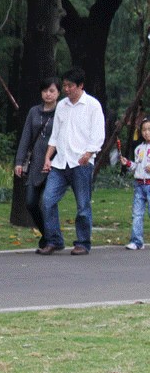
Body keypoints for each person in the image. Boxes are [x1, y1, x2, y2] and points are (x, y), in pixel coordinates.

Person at [38, 67, 106, 256]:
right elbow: (56, 135)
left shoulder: (92, 105)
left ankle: (83, 242)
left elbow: (98, 134)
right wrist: (47, 157)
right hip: (61, 163)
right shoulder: (62, 105)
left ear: (80, 86)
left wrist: (89, 153)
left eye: (70, 86)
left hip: (81, 163)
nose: (66, 89)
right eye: (65, 85)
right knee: (47, 200)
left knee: (83, 205)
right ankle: (54, 240)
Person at [13, 77, 60, 250]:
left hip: (55, 164)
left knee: (48, 202)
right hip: (35, 163)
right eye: (45, 91)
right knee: (31, 203)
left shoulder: (61, 112)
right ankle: (47, 235)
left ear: (58, 93)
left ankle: (52, 239)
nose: (48, 94)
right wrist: (19, 161)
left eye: (52, 91)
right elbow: (26, 137)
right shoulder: (34, 111)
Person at [119, 118, 150, 250]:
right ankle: (137, 241)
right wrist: (127, 163)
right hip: (139, 185)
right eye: (144, 130)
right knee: (137, 213)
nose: (146, 132)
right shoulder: (139, 149)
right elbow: (135, 166)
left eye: (149, 129)